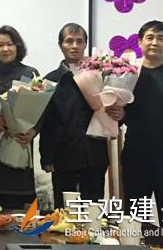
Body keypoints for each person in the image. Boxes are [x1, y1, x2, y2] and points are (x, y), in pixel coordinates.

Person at [110, 20, 163, 233]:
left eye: (160, 38)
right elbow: (120, 112)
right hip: (136, 155)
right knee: (134, 218)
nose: (155, 42)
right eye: (150, 37)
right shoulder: (128, 74)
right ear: (140, 42)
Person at [39, 23, 109, 208]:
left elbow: (110, 108)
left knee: (93, 211)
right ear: (60, 45)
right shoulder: (50, 80)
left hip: (94, 154)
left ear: (85, 44)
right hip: (63, 156)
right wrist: (46, 157)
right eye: (69, 41)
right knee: (64, 212)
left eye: (79, 41)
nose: (74, 46)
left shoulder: (99, 74)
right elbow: (46, 122)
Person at [0, 25, 39, 209]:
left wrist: (34, 131)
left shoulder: (30, 73)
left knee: (17, 209)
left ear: (17, 46)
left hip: (18, 142)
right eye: (0, 45)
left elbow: (42, 110)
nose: (5, 49)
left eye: (9, 44)